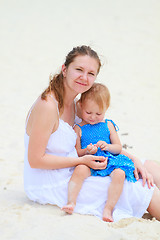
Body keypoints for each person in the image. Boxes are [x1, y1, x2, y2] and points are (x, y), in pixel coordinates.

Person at [24, 45, 160, 222]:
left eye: (91, 73)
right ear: (65, 69)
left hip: (78, 164)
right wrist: (81, 160)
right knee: (140, 186)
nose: (84, 77)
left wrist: (133, 159)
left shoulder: (76, 104)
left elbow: (99, 137)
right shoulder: (48, 106)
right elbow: (35, 160)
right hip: (52, 180)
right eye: (79, 69)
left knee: (148, 166)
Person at [62, 83, 139, 222]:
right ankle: (71, 202)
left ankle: (108, 209)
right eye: (88, 112)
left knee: (120, 174)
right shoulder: (78, 128)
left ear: (106, 109)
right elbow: (77, 152)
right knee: (79, 171)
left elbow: (118, 147)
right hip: (89, 160)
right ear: (81, 107)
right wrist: (86, 151)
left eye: (98, 113)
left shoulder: (108, 124)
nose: (92, 117)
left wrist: (108, 146)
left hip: (109, 159)